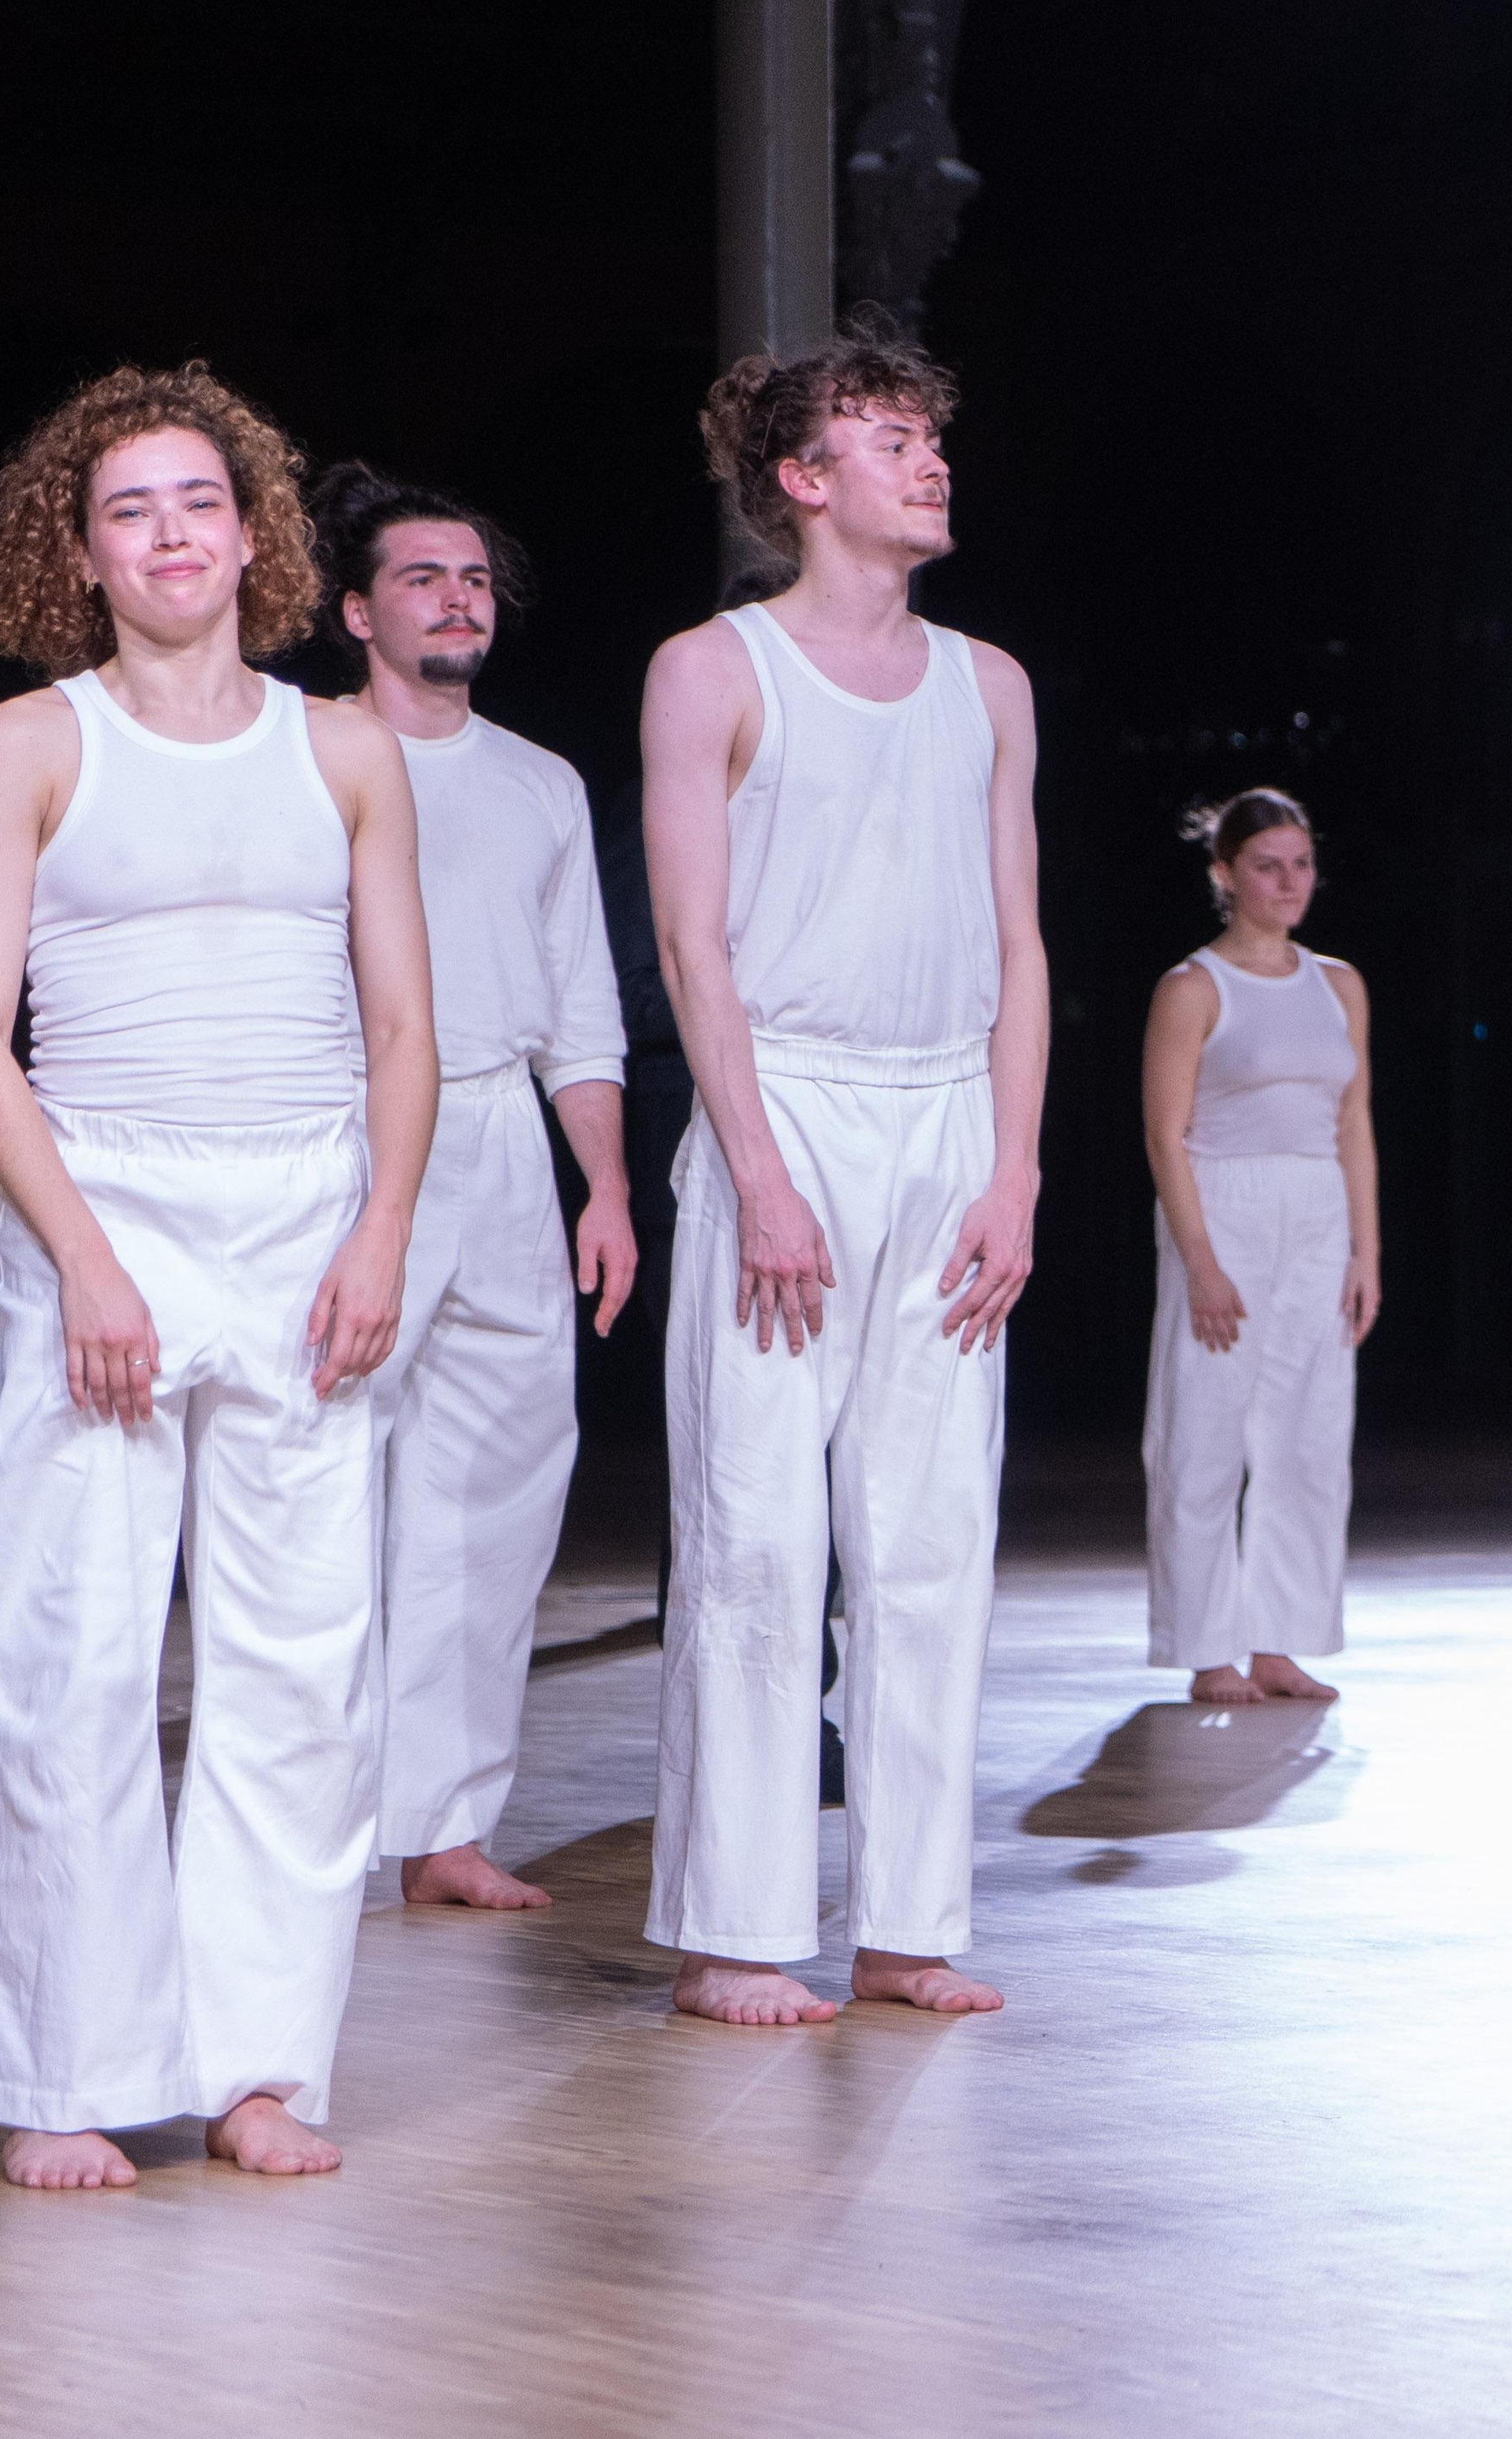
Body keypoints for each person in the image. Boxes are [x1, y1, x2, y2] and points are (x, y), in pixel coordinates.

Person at [0, 368, 437, 2186]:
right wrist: (82, 1255)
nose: (169, 532)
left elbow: (404, 1024)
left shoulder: (342, 749)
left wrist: (381, 1224)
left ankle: (254, 2064)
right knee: (62, 1656)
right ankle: (72, 2069)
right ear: (79, 556)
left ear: (255, 529)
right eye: (127, 509)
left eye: (195, 500)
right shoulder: (34, 739)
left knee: (299, 1667)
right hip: (110, 1209)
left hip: (310, 1208)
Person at [640, 319, 1044, 2028]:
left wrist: (1015, 1168)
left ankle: (906, 1917)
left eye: (930, 432)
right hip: (785, 1106)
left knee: (932, 1533)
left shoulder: (990, 682)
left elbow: (1022, 939)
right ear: (804, 479)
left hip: (948, 1110)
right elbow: (688, 937)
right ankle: (741, 1927)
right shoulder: (713, 667)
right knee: (753, 1527)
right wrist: (758, 1168)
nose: (929, 457)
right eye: (890, 436)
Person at [310, 464, 636, 1911]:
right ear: (356, 610)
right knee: (323, 1478)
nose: (458, 598)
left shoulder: (540, 781)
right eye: (426, 577)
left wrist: (606, 1186)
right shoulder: (302, 755)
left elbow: (583, 1005)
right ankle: (311, 1814)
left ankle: (441, 1824)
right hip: (347, 1129)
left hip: (504, 1132)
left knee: (494, 1491)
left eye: (476, 580)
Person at [1139, 787, 1377, 1707]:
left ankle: (1280, 1640)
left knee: (1308, 1437)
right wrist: (1199, 1258)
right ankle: (1208, 1648)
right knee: (1203, 1432)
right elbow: (1166, 1136)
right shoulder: (1192, 987)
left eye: (1302, 863)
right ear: (1225, 873)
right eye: (1268, 865)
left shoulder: (1339, 983)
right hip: (1223, 1206)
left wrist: (1367, 1250)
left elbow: (1353, 1119)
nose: (1289, 882)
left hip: (1317, 1208)